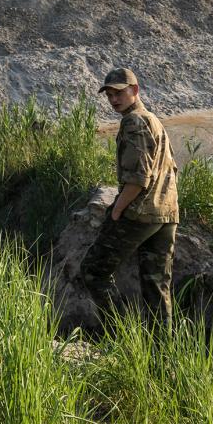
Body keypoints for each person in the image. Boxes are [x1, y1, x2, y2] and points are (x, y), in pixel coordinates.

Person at [79, 67, 179, 330]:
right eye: (109, 94)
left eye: (119, 93)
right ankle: (162, 357)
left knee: (93, 271)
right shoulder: (153, 120)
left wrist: (116, 211)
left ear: (134, 90)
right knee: (156, 287)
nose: (113, 99)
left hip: (140, 213)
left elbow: (138, 178)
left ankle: (120, 335)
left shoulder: (134, 121)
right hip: (166, 213)